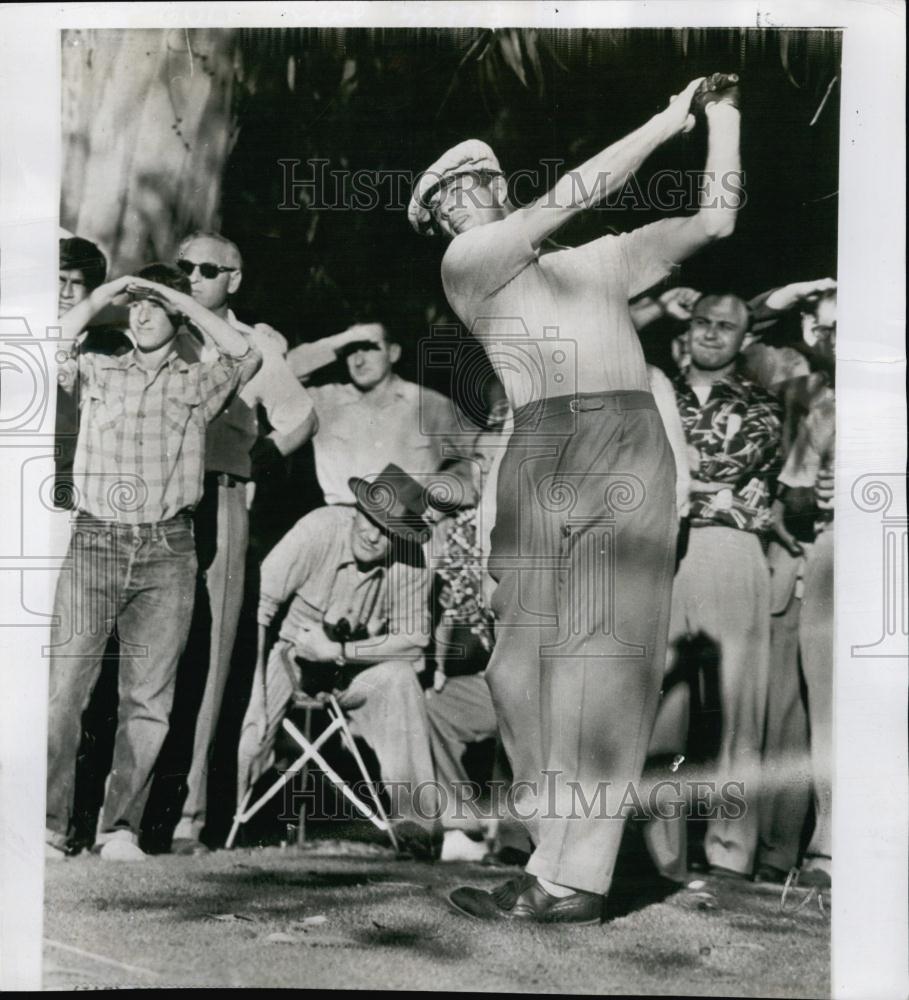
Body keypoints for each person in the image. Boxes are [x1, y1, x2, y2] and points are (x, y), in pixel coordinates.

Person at [410, 71, 743, 922]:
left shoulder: (595, 262)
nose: (453, 208)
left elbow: (715, 220)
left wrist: (725, 118)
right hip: (539, 448)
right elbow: (570, 193)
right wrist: (668, 119)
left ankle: (574, 881)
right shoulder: (470, 262)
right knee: (517, 667)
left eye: (463, 188)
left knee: (606, 664)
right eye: (438, 203)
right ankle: (550, 852)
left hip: (622, 444)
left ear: (492, 185)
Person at [45, 264, 261, 862]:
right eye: (134, 308)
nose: (140, 315)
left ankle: (121, 830)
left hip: (168, 549)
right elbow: (49, 340)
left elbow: (244, 353)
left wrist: (174, 295)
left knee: (148, 701)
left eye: (153, 307)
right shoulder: (97, 370)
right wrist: (106, 295)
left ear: (176, 317)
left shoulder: (197, 383)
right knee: (65, 688)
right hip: (96, 541)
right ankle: (48, 825)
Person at [156, 231, 317, 856]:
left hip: (219, 498)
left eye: (207, 268)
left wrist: (255, 457)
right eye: (184, 266)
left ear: (235, 279)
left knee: (211, 657)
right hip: (146, 502)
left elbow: (301, 417)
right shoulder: (155, 331)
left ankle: (186, 817)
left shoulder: (253, 346)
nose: (193, 276)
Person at [236, 464, 441, 858]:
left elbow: (415, 642)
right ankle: (235, 826)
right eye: (368, 519)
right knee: (251, 732)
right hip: (290, 657)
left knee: (399, 680)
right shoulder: (319, 528)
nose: (371, 534)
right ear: (357, 510)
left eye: (386, 530)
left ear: (400, 535)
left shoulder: (412, 560)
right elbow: (260, 607)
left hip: (353, 671)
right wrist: (257, 696)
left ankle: (417, 829)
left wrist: (342, 653)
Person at [649, 293, 782, 882]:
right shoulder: (658, 393)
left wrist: (680, 476)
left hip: (730, 551)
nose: (710, 334)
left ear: (744, 338)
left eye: (725, 327)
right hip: (661, 554)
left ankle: (731, 849)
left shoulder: (762, 403)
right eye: (701, 323)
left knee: (736, 707)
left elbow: (728, 463)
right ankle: (661, 857)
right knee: (661, 707)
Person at [762, 284, 836, 889]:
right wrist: (799, 294)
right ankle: (828, 847)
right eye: (823, 328)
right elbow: (751, 333)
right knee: (829, 704)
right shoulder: (814, 394)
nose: (830, 338)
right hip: (841, 542)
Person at [286, 322, 477, 506]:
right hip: (344, 522)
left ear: (393, 353)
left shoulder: (429, 405)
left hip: (408, 526)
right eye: (351, 350)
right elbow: (285, 370)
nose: (359, 361)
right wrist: (345, 338)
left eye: (369, 347)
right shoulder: (326, 401)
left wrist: (440, 497)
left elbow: (486, 455)